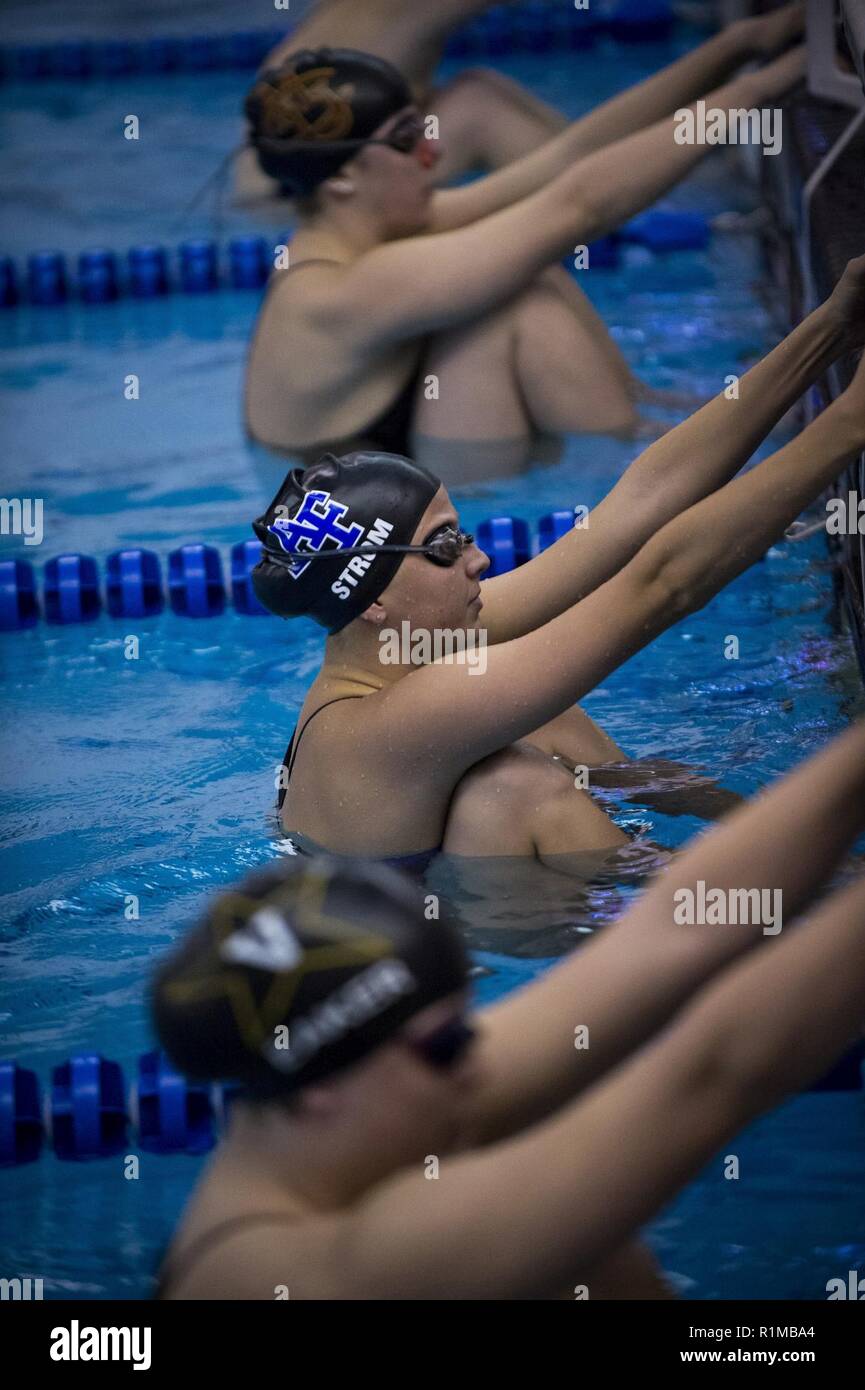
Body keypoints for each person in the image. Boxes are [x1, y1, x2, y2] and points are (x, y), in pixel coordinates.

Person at [152, 717, 865, 1299]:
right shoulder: (331, 1271)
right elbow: (717, 1071)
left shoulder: (359, 1095)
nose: (478, 1055)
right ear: (319, 1093)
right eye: (445, 1044)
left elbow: (677, 929)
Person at [247, 256, 865, 864]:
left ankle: (765, 841)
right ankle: (771, 895)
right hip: (464, 940)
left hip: (468, 883)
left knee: (543, 719)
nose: (481, 561)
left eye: (463, 536)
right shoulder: (403, 721)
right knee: (516, 785)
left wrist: (832, 323)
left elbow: (634, 508)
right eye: (443, 547)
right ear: (373, 599)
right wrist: (847, 425)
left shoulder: (404, 645)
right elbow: (666, 585)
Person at [242, 30, 806, 474]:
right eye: (407, 137)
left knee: (515, 263)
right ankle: (649, 448)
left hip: (432, 460)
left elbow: (570, 159)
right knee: (514, 296)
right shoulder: (344, 291)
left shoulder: (358, 244)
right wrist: (758, 91)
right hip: (432, 511)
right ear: (342, 178)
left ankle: (649, 412)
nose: (434, 152)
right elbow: (579, 208)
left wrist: (743, 46)